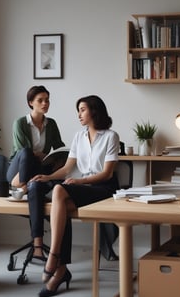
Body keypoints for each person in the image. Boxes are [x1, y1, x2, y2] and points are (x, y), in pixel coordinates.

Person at [29, 95, 120, 297]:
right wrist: (48, 176)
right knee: (60, 209)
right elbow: (69, 167)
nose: (79, 114)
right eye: (78, 110)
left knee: (60, 193)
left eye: (82, 109)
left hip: (103, 188)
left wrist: (78, 181)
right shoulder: (79, 136)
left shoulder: (110, 136)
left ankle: (55, 258)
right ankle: (60, 269)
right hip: (86, 187)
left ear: (94, 111)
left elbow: (107, 173)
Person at [6, 85, 65, 260]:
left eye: (47, 100)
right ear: (31, 103)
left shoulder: (51, 124)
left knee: (36, 188)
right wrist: (39, 154)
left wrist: (57, 157)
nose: (45, 103)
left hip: (38, 171)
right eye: (40, 100)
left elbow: (60, 147)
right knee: (26, 153)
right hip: (17, 171)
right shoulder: (20, 123)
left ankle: (37, 246)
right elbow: (23, 151)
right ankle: (22, 185)